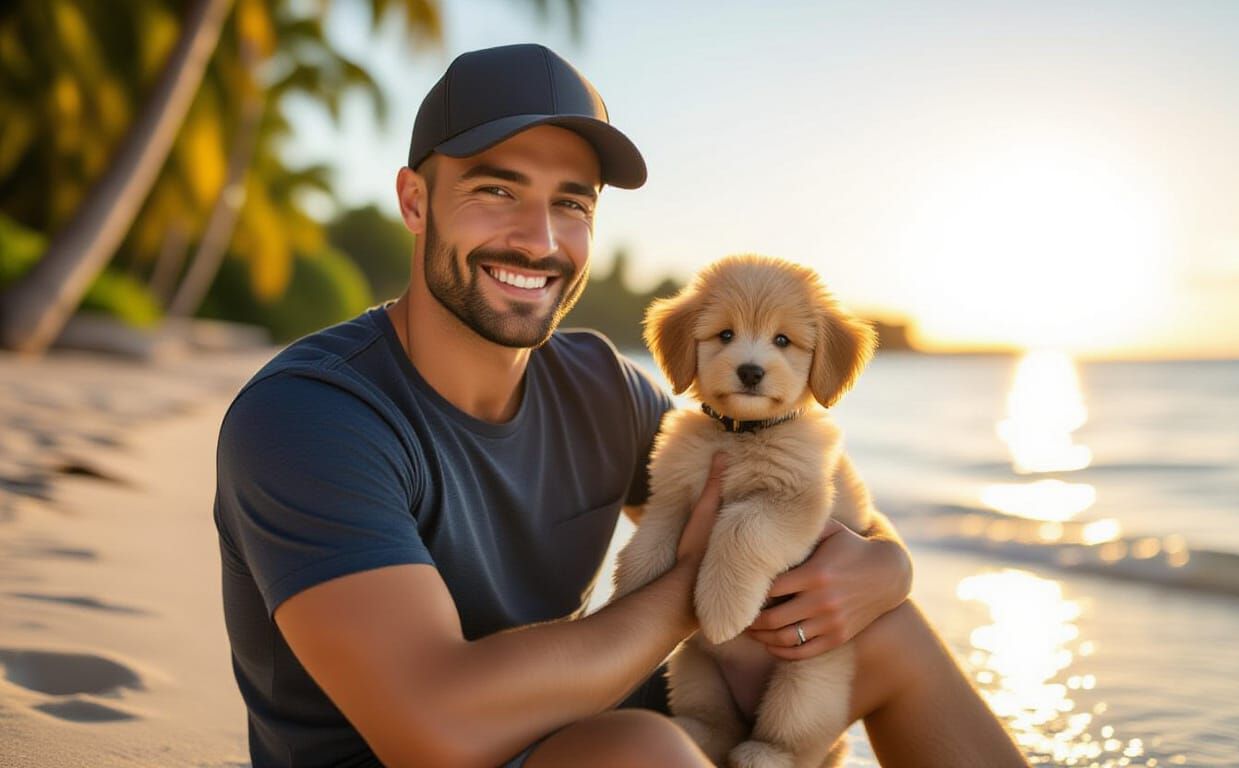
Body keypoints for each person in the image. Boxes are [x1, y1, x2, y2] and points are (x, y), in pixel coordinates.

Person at [214, 43, 1026, 768]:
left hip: (566, 719)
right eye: (497, 190)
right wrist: (685, 590)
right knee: (643, 752)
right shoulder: (312, 417)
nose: (538, 240)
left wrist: (885, 567)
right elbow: (432, 732)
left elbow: (806, 498)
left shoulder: (599, 385)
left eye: (571, 203)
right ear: (416, 202)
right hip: (425, 746)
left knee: (881, 630)